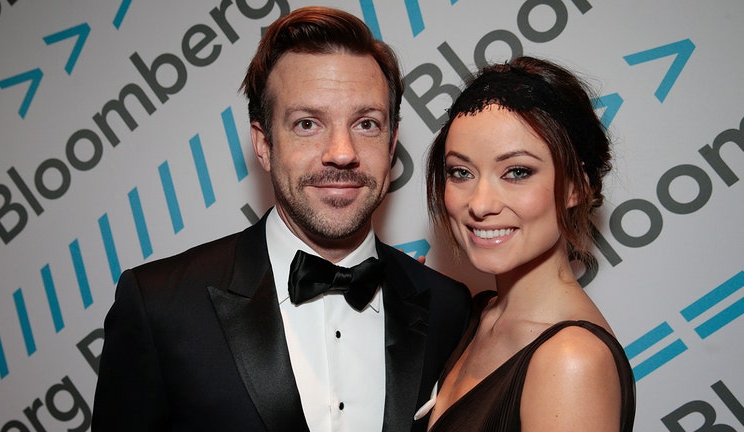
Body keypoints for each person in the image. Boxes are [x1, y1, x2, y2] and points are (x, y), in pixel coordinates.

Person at [91, 6, 471, 432]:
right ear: (264, 143)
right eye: (307, 123)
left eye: (366, 124)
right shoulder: (160, 306)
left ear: (391, 142)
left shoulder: (449, 307)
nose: (342, 152)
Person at [424, 56, 636, 431]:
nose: (480, 204)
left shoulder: (572, 361)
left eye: (517, 172)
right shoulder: (478, 315)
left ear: (575, 186)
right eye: (461, 172)